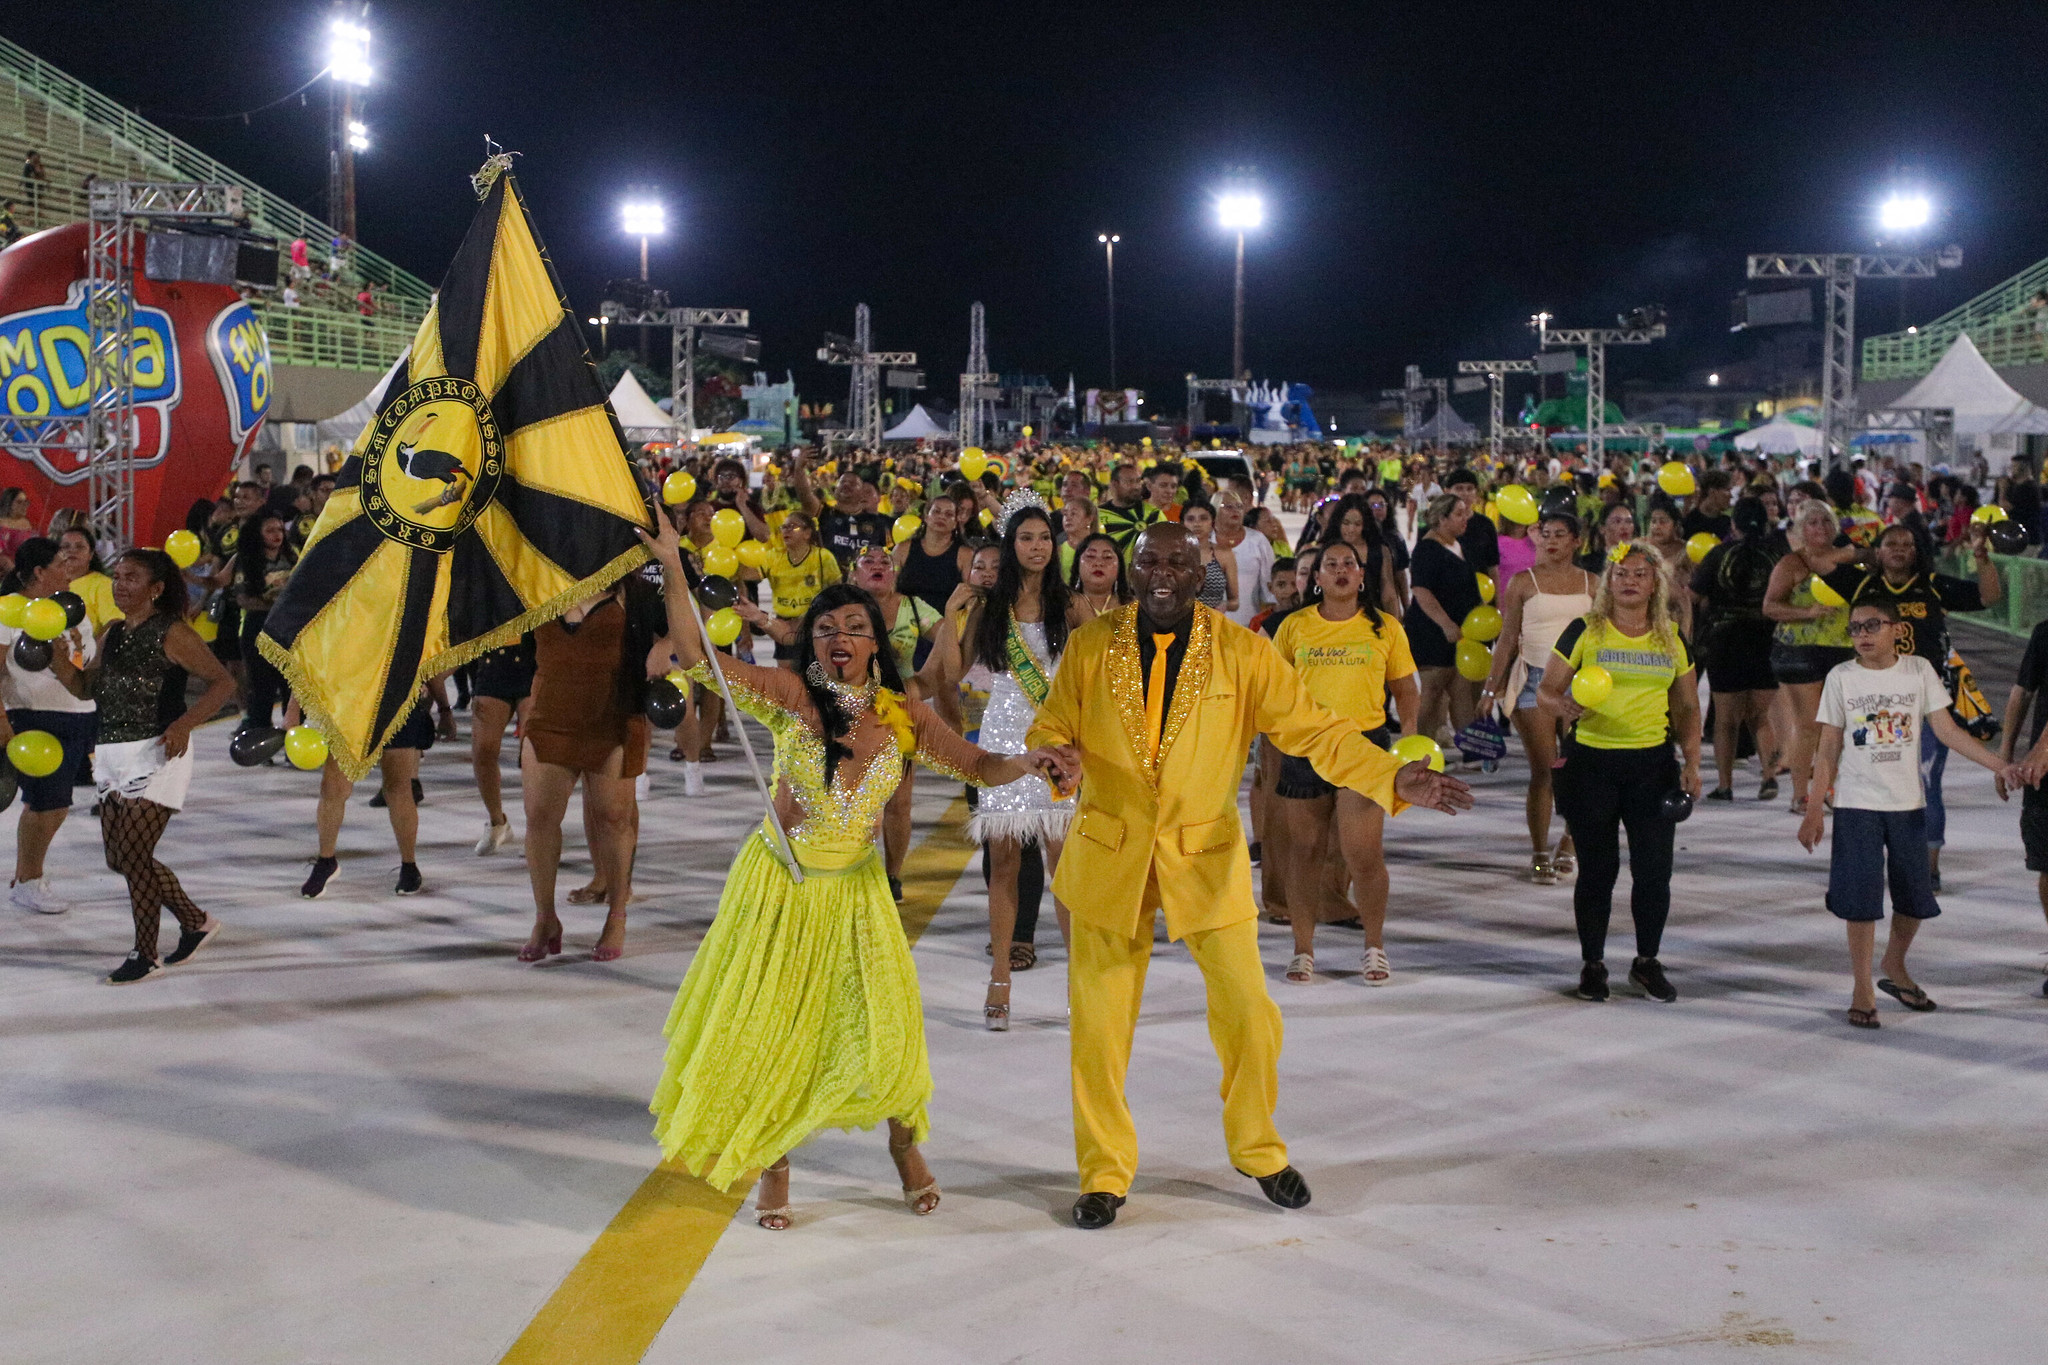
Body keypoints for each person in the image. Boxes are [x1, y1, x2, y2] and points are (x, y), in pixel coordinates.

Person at [1026, 523, 1472, 1230]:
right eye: (1151, 561)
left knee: (1250, 1016)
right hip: (1109, 854)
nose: (1164, 572)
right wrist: (1055, 756)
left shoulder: (1241, 651)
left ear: (1201, 571)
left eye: (1179, 561)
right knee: (1099, 1027)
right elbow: (1050, 726)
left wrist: (1391, 776)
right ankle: (1104, 1170)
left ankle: (1257, 1148)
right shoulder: (1089, 645)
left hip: (1205, 856)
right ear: (1131, 572)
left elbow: (1315, 732)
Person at [644, 513, 1072, 1229]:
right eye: (825, 630)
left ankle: (906, 1146)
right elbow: (695, 655)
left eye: (853, 627)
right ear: (812, 645)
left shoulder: (900, 713)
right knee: (773, 1031)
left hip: (858, 891)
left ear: (877, 641)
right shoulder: (789, 697)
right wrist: (673, 566)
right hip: (782, 889)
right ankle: (774, 1159)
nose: (839, 639)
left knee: (887, 1028)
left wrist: (1026, 762)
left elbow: (974, 764)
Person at [1798, 599, 2023, 1028]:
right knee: (1860, 902)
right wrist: (1814, 809)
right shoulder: (1841, 677)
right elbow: (1827, 747)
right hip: (1857, 805)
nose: (1863, 635)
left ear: (1896, 629)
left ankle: (1895, 965)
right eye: (1855, 628)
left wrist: (2001, 765)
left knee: (1916, 900)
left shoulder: (1919, 671)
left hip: (1907, 804)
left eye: (1872, 626)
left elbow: (1947, 731)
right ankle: (1862, 987)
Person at [47, 551, 235, 983]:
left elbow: (224, 682)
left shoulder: (173, 632)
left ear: (156, 588)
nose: (120, 584)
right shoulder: (111, 632)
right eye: (116, 576)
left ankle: (144, 952)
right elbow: (84, 690)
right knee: (122, 858)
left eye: (131, 577)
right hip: (112, 754)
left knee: (133, 856)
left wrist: (185, 724)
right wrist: (59, 657)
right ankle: (195, 921)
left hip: (158, 752)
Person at [1539, 540, 1703, 1004]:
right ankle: (1593, 965)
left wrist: (1691, 762)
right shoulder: (1584, 630)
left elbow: (1688, 705)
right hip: (1591, 764)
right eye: (1621, 573)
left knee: (1654, 871)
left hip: (1652, 765)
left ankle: (1647, 962)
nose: (1630, 582)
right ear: (1608, 581)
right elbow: (1546, 690)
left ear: (1655, 584)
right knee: (1598, 871)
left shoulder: (1671, 636)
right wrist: (1563, 703)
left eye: (1640, 574)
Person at [1271, 539, 1419, 983]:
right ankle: (1303, 949)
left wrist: (1410, 744)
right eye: (1329, 565)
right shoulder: (1294, 627)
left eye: (1348, 564)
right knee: (1305, 853)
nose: (1339, 571)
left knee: (1364, 854)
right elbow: (1272, 690)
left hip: (1364, 749)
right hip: (1305, 747)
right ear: (1315, 580)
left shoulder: (1385, 628)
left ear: (1360, 576)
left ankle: (1374, 945)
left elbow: (1406, 691)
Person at [956, 496, 1076, 1027]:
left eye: (1044, 538)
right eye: (1026, 538)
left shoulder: (1071, 606)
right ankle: (999, 977)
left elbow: (1098, 675)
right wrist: (954, 611)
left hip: (1058, 740)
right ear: (1011, 545)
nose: (1036, 547)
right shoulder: (987, 607)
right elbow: (950, 670)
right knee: (1003, 865)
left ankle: (1081, 980)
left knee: (1065, 869)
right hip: (1005, 740)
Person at [1831, 521, 2001, 890]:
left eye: (1906, 545)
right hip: (1873, 704)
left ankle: (1928, 866)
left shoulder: (1934, 586)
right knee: (1873, 779)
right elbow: (1813, 559)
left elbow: (1989, 598)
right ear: (1878, 551)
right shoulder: (1863, 586)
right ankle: (1878, 856)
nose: (1898, 550)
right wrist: (1858, 553)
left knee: (1926, 781)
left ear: (1917, 551)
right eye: (1890, 544)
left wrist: (1981, 554)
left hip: (1926, 703)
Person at [516, 574, 665, 961]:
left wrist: (663, 647)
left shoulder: (635, 591)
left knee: (614, 818)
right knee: (539, 819)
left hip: (613, 717)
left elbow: (686, 629)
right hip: (549, 716)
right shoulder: (537, 579)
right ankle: (545, 918)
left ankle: (617, 915)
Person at [1480, 510, 1594, 884]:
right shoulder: (1522, 582)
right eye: (1545, 534)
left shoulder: (1593, 584)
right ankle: (1539, 851)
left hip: (1582, 684)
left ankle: (1570, 843)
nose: (1551, 541)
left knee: (1580, 772)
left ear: (1577, 541)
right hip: (1532, 680)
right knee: (1544, 772)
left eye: (1561, 534)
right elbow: (1507, 637)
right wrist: (1490, 688)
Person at [0, 538, 93, 915]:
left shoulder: (73, 610)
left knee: (57, 804)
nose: (70, 566)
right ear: (39, 572)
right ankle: (28, 881)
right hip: (34, 717)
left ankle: (27, 875)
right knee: (45, 803)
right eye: (61, 561)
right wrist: (2, 721)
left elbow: (84, 661)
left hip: (78, 713)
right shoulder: (8, 613)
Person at [1763, 498, 1856, 814]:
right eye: (1813, 523)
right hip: (1798, 651)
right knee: (1810, 724)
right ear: (1801, 529)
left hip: (1841, 649)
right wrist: (1807, 611)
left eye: (1826, 522)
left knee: (1836, 726)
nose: (1820, 528)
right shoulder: (1791, 564)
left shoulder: (1845, 562)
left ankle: (1826, 788)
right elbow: (1770, 607)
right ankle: (1801, 794)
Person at [1690, 497, 1782, 802]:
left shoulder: (1718, 554)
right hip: (1765, 640)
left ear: (1733, 525)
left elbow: (1693, 594)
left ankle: (1726, 785)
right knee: (1761, 717)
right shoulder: (1776, 555)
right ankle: (1769, 777)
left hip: (1725, 641)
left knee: (1726, 721)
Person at [1403, 493, 1484, 752]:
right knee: (1431, 691)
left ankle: (1472, 749)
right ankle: (1419, 748)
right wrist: (1445, 623)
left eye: (1466, 512)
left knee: (1461, 689)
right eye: (1458, 514)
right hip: (1432, 632)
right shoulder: (1427, 549)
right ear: (1441, 518)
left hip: (1462, 633)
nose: (1465, 519)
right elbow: (1421, 590)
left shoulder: (1458, 545)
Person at [468, 633, 534, 855]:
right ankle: (498, 822)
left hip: (534, 657)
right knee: (482, 750)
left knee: (531, 750)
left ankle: (538, 829)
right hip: (494, 658)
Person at [231, 511, 297, 732]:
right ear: (257, 535)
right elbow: (243, 599)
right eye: (270, 530)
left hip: (289, 628)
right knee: (261, 687)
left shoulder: (292, 555)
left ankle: (293, 737)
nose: (277, 535)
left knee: (292, 686)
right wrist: (275, 602)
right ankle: (260, 736)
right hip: (258, 628)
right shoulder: (247, 560)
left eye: (280, 529)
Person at [763, 511, 840, 669]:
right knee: (786, 676)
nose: (786, 531)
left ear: (807, 533)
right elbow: (749, 573)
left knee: (814, 673)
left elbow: (836, 592)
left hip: (814, 623)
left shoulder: (823, 557)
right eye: (784, 527)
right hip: (783, 624)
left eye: (792, 527)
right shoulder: (773, 557)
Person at [892, 492, 969, 614]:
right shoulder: (902, 549)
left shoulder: (965, 555)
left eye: (948, 514)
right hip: (907, 621)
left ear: (955, 523)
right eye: (936, 512)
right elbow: (889, 588)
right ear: (926, 517)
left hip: (947, 623)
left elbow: (970, 598)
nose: (941, 517)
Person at [1214, 488, 1273, 628]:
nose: (1236, 510)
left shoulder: (1258, 540)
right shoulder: (1204, 541)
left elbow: (1269, 587)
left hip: (1249, 625)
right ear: (1214, 509)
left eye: (1239, 506)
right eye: (1228, 506)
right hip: (1211, 624)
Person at [1178, 498, 1239, 614]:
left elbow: (1234, 601)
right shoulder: (1173, 554)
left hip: (1213, 622)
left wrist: (1224, 605)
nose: (1197, 524)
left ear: (1212, 524)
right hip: (1180, 622)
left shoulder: (1225, 554)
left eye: (1203, 518)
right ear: (1182, 524)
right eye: (1190, 519)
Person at [1098, 462, 1161, 553]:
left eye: (1138, 481)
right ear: (1115, 484)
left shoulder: (1154, 514)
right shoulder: (1098, 515)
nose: (1136, 486)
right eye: (1130, 482)